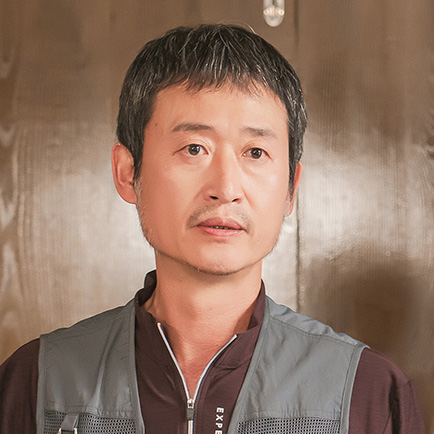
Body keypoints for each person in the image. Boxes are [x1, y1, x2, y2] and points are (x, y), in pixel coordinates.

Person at [0, 24, 425, 434]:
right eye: (194, 148)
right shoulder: (36, 382)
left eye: (255, 152)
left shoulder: (366, 392)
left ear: (291, 189)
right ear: (128, 173)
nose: (226, 188)